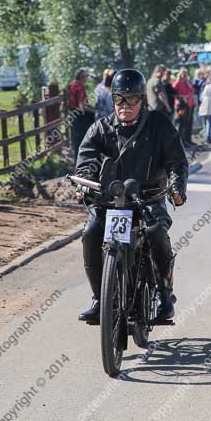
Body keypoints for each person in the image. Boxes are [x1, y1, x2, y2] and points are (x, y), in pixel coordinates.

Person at [75, 68, 188, 323]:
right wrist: (85, 184)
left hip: (148, 198)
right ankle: (99, 297)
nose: (125, 105)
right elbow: (86, 160)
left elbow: (176, 161)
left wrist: (176, 186)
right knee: (91, 232)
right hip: (110, 201)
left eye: (132, 99)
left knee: (156, 232)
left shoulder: (158, 125)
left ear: (141, 99)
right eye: (119, 99)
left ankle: (164, 294)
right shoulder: (100, 129)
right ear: (113, 99)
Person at [67, 68, 95, 161]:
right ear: (82, 77)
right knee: (82, 139)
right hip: (78, 115)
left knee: (75, 139)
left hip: (71, 113)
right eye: (86, 76)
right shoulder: (80, 86)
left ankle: (76, 161)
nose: (87, 78)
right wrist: (94, 111)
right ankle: (82, 161)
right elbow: (81, 106)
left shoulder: (71, 85)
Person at [173, 68, 196, 146]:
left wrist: (188, 83)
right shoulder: (177, 83)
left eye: (186, 74)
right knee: (181, 123)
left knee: (188, 123)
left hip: (188, 105)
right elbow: (174, 94)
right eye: (183, 74)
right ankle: (181, 141)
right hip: (181, 105)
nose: (184, 76)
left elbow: (192, 91)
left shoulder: (186, 83)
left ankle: (187, 139)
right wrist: (183, 96)